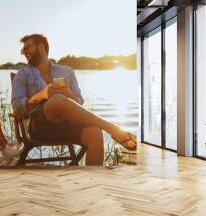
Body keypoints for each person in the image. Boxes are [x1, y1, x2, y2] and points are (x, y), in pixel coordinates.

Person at [11, 34, 136, 165]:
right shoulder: (23, 74)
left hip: (67, 124)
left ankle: (94, 182)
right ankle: (113, 129)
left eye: (27, 48)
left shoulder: (66, 71)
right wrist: (41, 95)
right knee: (57, 100)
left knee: (95, 133)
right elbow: (16, 106)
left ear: (41, 47)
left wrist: (68, 94)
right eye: (23, 49)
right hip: (40, 127)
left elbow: (79, 102)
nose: (24, 52)